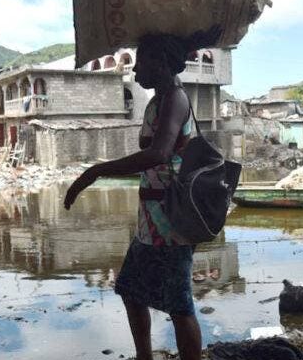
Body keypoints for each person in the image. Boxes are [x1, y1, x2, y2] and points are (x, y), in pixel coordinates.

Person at [64, 28, 220, 360]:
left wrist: (95, 171)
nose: (136, 71)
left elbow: (159, 154)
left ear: (162, 63)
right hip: (151, 220)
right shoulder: (158, 101)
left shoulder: (175, 100)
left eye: (141, 63)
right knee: (131, 290)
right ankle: (144, 357)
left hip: (172, 222)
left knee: (179, 305)